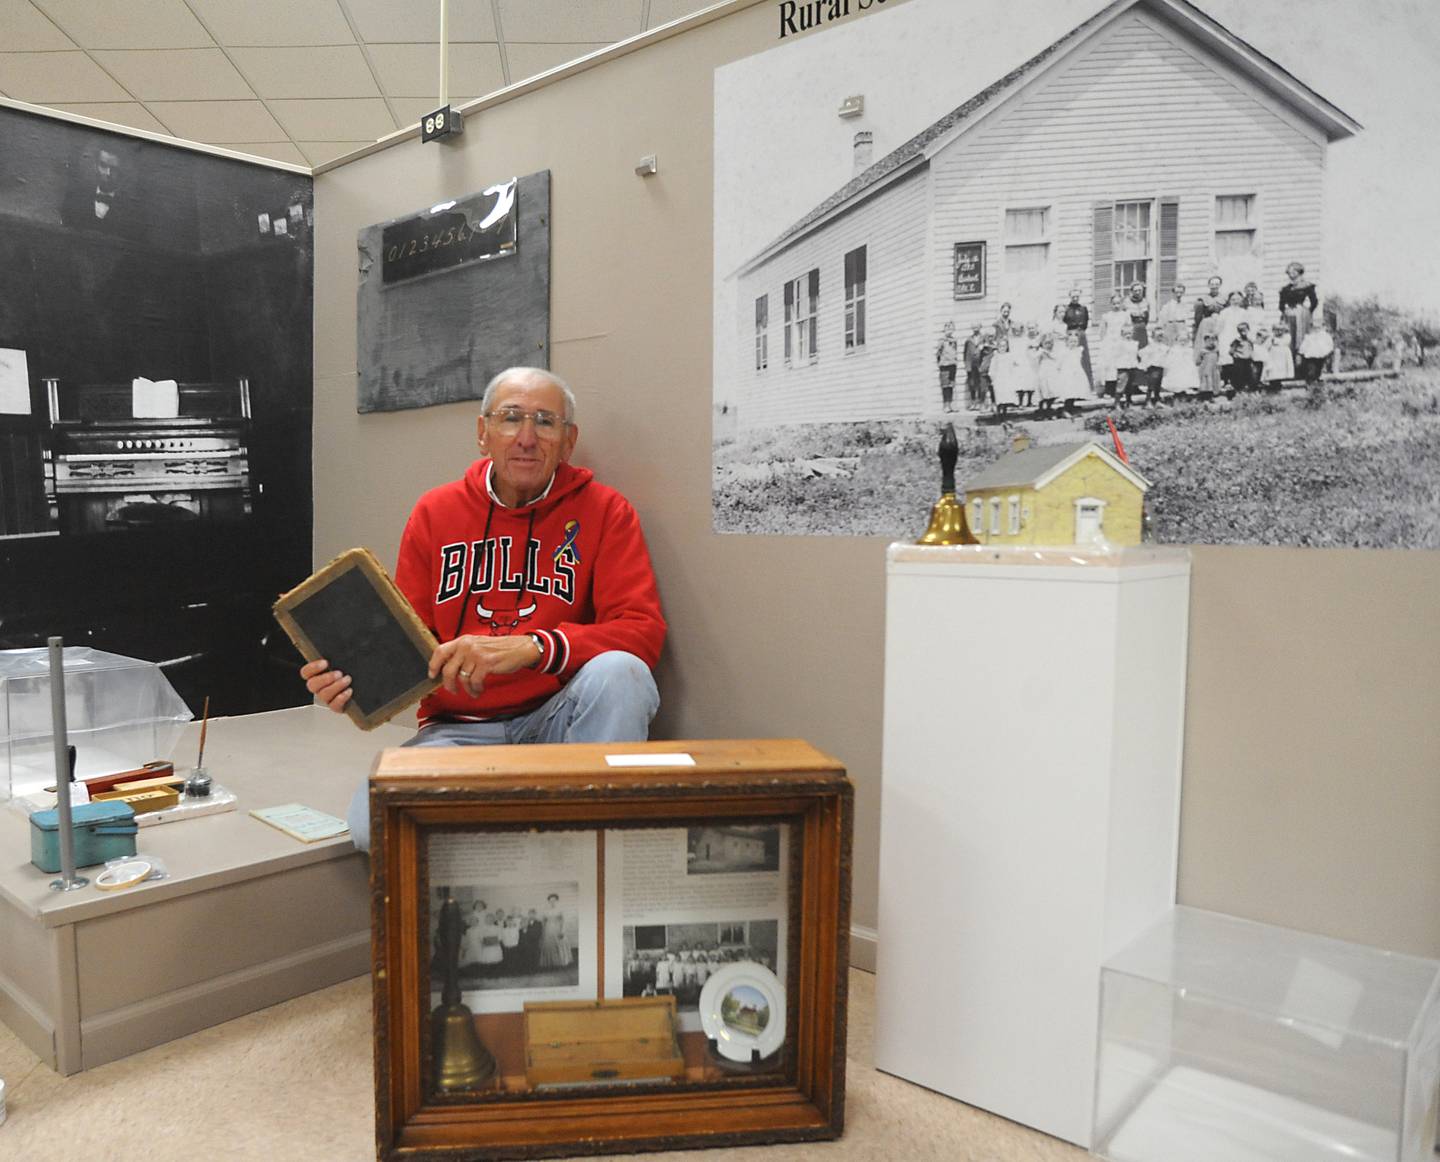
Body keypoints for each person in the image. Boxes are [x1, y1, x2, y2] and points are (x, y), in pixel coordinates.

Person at [301, 367, 667, 852]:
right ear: (482, 433)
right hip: (459, 733)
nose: (527, 438)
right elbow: (409, 641)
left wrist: (536, 647)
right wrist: (352, 685)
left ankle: (581, 852)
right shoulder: (436, 512)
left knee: (624, 672)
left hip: (560, 722)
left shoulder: (606, 511)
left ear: (568, 440)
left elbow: (642, 631)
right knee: (374, 829)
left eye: (545, 421)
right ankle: (534, 845)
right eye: (511, 418)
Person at [1061, 289, 1093, 388]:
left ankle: (1086, 388)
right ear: (1069, 297)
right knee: (1071, 361)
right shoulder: (1066, 309)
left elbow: (1086, 323)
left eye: (1077, 297)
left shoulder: (1083, 308)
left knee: (1083, 360)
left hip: (1081, 335)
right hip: (1071, 335)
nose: (1075, 298)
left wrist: (1080, 332)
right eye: (1073, 297)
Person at [1261, 324, 1295, 390]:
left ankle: (1278, 384)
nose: (1279, 332)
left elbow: (1285, 343)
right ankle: (1273, 384)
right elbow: (1265, 347)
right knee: (1273, 370)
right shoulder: (1271, 338)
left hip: (1283, 358)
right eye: (1277, 330)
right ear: (1273, 331)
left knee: (1281, 371)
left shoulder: (1287, 337)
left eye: (1281, 330)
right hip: (1274, 357)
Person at [935, 322, 959, 412]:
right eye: (948, 329)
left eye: (951, 329)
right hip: (944, 365)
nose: (950, 331)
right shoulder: (942, 340)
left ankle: (952, 404)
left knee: (951, 385)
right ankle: (946, 405)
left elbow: (955, 351)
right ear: (944, 330)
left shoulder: (954, 340)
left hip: (952, 365)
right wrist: (940, 363)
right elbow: (938, 353)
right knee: (945, 386)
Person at [1125, 282, 1150, 347]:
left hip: (1143, 330)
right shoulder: (1127, 303)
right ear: (1131, 291)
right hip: (1132, 331)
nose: (1138, 292)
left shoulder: (1145, 302)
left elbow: (1146, 319)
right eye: (1135, 291)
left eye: (1140, 290)